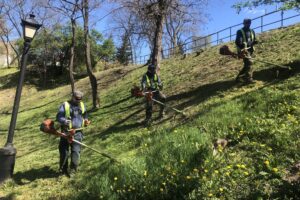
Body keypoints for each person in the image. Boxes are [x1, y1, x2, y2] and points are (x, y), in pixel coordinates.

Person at [56, 90, 89, 176]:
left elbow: (85, 114)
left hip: (78, 132)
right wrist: (65, 121)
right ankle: (63, 170)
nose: (78, 100)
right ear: (72, 97)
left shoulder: (82, 104)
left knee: (76, 151)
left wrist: (86, 120)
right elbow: (59, 117)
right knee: (64, 151)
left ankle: (73, 170)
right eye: (77, 99)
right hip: (66, 132)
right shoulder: (65, 105)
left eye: (80, 99)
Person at [235, 18, 258, 84]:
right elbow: (238, 42)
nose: (248, 24)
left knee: (247, 65)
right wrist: (243, 46)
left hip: (251, 50)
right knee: (249, 62)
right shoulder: (240, 31)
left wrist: (254, 42)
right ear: (244, 23)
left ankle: (239, 78)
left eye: (249, 23)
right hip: (243, 50)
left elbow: (253, 40)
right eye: (247, 23)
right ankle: (248, 79)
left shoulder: (252, 31)